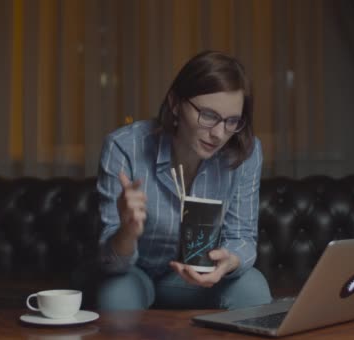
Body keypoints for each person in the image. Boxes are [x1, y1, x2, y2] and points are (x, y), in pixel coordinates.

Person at [96, 50, 272, 310]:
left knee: (252, 286)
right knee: (116, 294)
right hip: (133, 273)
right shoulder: (124, 147)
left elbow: (242, 237)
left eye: (232, 121)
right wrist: (127, 232)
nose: (219, 134)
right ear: (175, 103)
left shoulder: (246, 151)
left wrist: (229, 261)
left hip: (194, 279)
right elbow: (110, 264)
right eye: (209, 115)